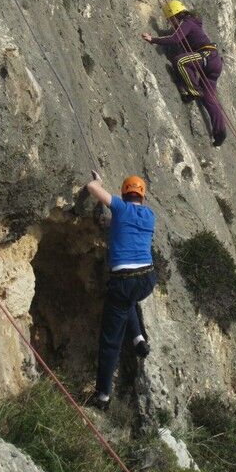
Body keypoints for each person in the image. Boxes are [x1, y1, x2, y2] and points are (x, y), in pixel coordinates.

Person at [86, 171, 157, 411]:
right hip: (147, 278)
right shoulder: (149, 215)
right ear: (143, 198)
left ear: (124, 195)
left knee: (110, 342)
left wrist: (99, 181)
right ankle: (138, 338)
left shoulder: (121, 208)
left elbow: (92, 188)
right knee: (129, 301)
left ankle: (103, 397)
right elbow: (125, 228)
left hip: (123, 279)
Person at [142, 0, 227, 147]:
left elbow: (175, 38)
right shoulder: (194, 23)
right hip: (214, 62)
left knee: (181, 61)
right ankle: (220, 133)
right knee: (210, 99)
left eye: (170, 20)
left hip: (207, 56)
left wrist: (153, 39)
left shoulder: (186, 22)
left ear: (175, 16)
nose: (171, 24)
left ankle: (194, 91)